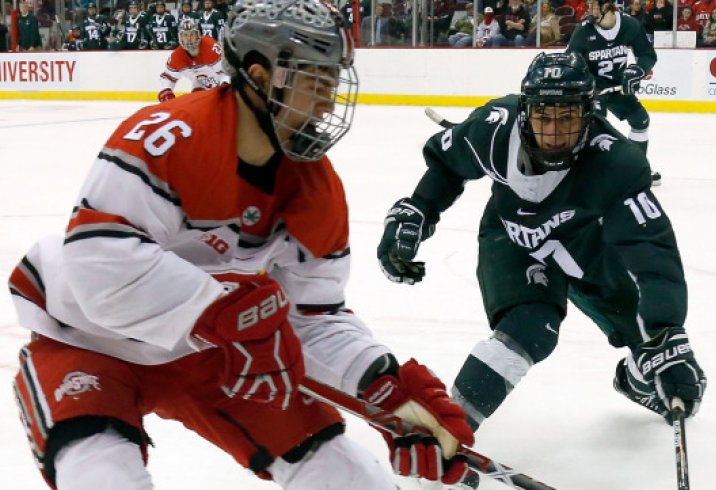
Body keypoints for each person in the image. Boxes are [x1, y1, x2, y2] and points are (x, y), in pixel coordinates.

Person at [8, 1, 474, 489]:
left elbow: (314, 317)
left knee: (348, 476)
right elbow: (98, 260)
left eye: (333, 82)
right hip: (87, 340)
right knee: (102, 477)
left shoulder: (317, 190)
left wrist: (385, 387)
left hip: (218, 355)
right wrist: (220, 309)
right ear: (260, 75)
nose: (328, 101)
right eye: (316, 81)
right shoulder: (171, 137)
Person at [377, 51, 706, 435]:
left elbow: (651, 252)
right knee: (530, 328)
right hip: (512, 236)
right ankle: (447, 430)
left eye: (567, 117)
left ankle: (634, 378)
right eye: (544, 117)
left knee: (653, 347)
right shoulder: (493, 129)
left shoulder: (615, 163)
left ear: (589, 114)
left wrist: (667, 335)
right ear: (524, 112)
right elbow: (447, 164)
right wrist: (417, 210)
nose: (553, 133)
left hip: (585, 245)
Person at [567, 0, 660, 184]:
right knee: (597, 127)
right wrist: (584, 85)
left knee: (640, 120)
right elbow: (571, 62)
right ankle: (593, 172)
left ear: (608, 6)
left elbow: (648, 55)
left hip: (618, 86)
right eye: (590, 5)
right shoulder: (583, 31)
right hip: (593, 90)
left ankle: (635, 169)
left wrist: (637, 70)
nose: (590, 10)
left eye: (595, 6)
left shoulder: (630, 25)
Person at [158, 17, 229, 102]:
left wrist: (225, 88)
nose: (189, 38)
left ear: (198, 35)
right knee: (197, 102)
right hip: (201, 86)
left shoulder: (211, 47)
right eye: (185, 35)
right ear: (180, 37)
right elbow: (167, 78)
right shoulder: (177, 56)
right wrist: (167, 95)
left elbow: (227, 73)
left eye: (192, 34)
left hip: (221, 86)